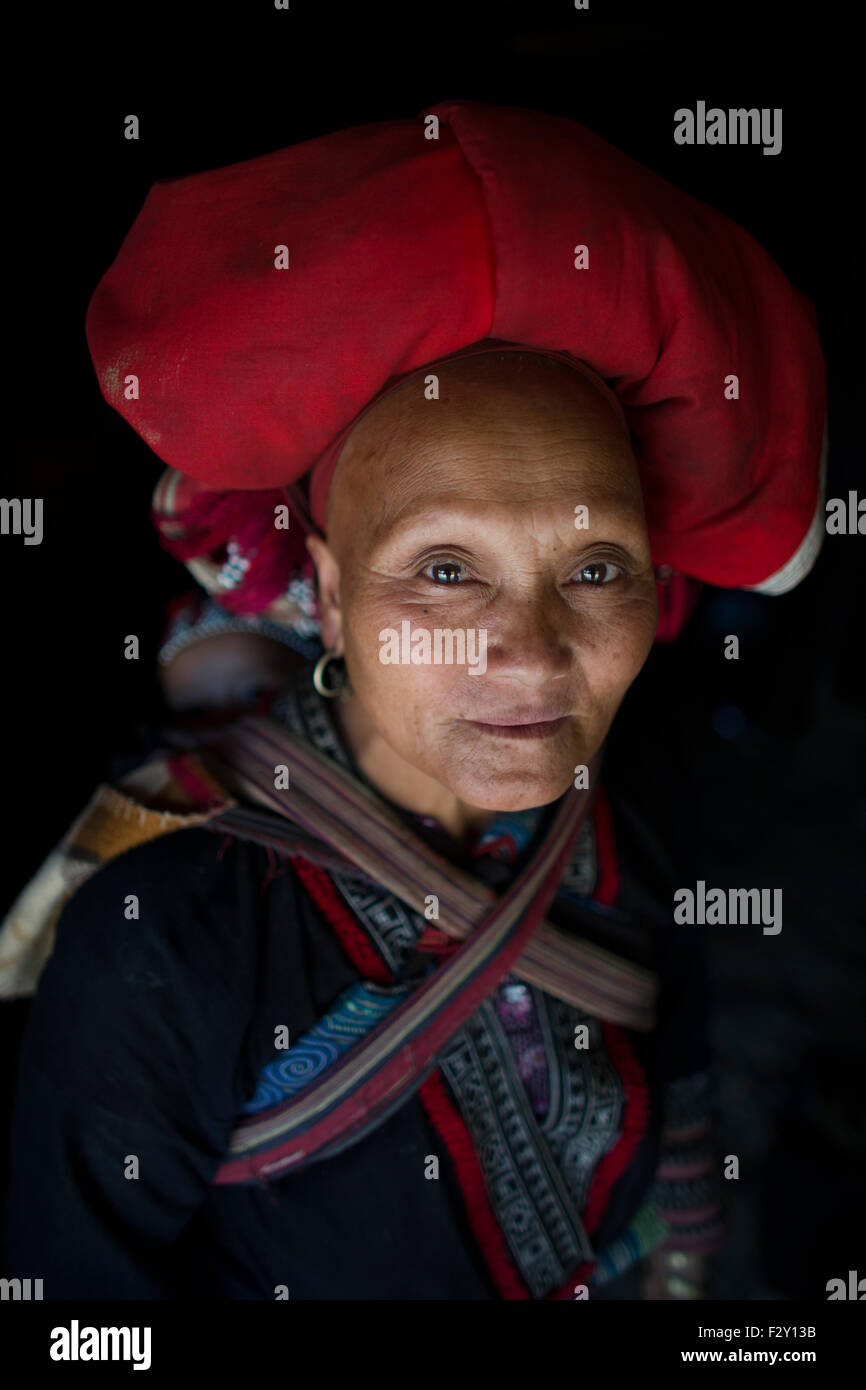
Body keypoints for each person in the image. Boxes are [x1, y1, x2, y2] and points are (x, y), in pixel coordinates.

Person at [0, 99, 825, 1301]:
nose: (535, 658)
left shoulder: (624, 822)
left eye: (593, 568)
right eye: (444, 571)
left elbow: (682, 1119)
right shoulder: (165, 940)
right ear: (327, 597)